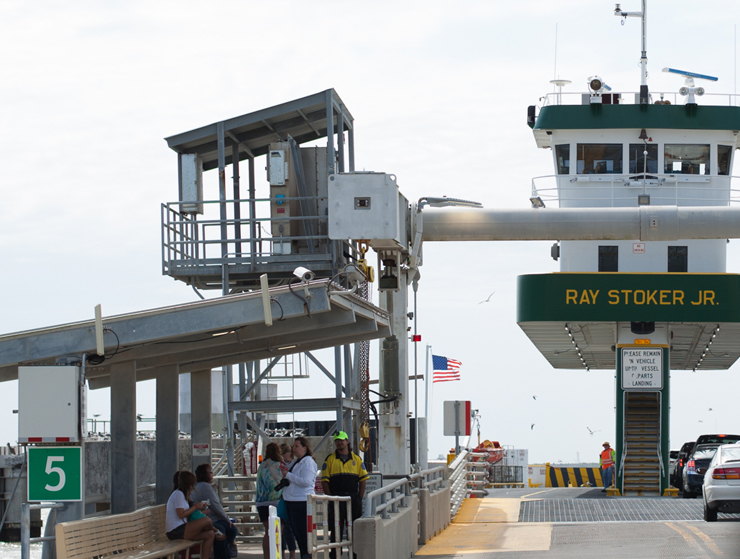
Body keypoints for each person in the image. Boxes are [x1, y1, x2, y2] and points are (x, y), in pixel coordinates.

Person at [321, 431, 368, 559]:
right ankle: (335, 555)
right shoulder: (329, 460)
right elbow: (324, 481)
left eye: (341, 440)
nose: (339, 442)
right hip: (336, 498)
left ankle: (354, 555)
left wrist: (359, 497)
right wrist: (331, 498)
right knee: (336, 530)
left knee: (353, 530)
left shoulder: (357, 460)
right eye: (337, 440)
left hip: (353, 499)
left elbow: (363, 479)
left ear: (347, 441)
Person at [165, 471, 223, 559]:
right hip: (175, 531)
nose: (192, 487)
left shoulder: (182, 495)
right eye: (192, 485)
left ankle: (206, 555)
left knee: (209, 534)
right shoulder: (178, 494)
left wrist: (200, 508)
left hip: (182, 528)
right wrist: (196, 507)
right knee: (207, 521)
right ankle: (215, 530)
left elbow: (186, 514)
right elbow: (181, 515)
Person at [255, 443, 296, 559]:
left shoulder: (262, 466)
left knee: (268, 531)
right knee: (278, 531)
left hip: (261, 502)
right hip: (277, 501)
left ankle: (267, 556)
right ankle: (277, 555)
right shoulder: (281, 465)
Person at [192, 464, 239, 559]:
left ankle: (221, 551)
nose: (212, 474)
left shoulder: (200, 486)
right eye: (210, 472)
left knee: (229, 530)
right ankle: (221, 555)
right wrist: (227, 519)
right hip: (205, 520)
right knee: (223, 530)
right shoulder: (205, 487)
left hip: (208, 518)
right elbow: (216, 506)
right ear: (204, 474)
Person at [282, 437, 318, 559]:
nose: (294, 449)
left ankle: (306, 555)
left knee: (302, 532)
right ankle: (304, 555)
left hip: (301, 501)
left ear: (304, 447)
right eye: (294, 446)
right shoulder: (296, 461)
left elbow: (306, 481)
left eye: (297, 446)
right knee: (297, 532)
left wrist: (288, 476)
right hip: (292, 500)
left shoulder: (308, 462)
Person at [279, 443, 297, 556]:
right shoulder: (285, 464)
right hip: (284, 497)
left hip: (288, 497)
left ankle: (289, 552)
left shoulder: (292, 465)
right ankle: (288, 552)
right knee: (284, 527)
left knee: (287, 527)